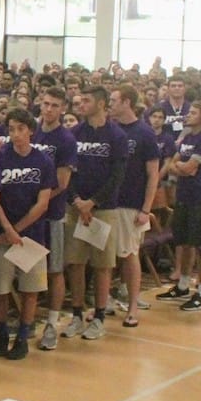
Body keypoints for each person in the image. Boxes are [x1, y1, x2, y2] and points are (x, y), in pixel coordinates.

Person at [0, 109, 55, 360]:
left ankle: (24, 334)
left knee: (30, 289)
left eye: (20, 129)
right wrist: (7, 228)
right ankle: (3, 332)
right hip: (2, 233)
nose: (15, 134)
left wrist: (18, 230)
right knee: (1, 289)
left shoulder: (43, 161)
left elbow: (43, 203)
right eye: (11, 129)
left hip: (32, 235)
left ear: (30, 130)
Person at [61, 86, 126, 341]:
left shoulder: (116, 136)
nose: (81, 104)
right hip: (76, 207)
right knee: (75, 263)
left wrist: (93, 202)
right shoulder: (74, 134)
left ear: (100, 104)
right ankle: (77, 313)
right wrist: (77, 200)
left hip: (104, 209)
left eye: (87, 100)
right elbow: (68, 171)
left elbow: (117, 175)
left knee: (102, 265)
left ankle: (98, 316)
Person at [157, 104, 201, 311]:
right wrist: (180, 167)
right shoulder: (187, 138)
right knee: (183, 243)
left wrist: (181, 167)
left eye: (193, 113)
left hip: (198, 198)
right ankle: (183, 285)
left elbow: (190, 169)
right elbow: (176, 164)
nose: (188, 115)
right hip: (182, 196)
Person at [109, 85, 160, 327]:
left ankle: (132, 306)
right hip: (108, 202)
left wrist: (146, 208)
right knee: (104, 255)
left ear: (126, 102)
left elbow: (153, 174)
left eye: (114, 100)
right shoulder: (110, 129)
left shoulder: (144, 133)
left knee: (129, 255)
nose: (110, 104)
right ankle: (105, 302)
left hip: (131, 203)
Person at [31, 86, 77, 350]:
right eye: (45, 104)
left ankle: (51, 323)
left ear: (62, 109)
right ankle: (27, 321)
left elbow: (62, 182)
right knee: (29, 269)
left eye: (54, 105)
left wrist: (38, 200)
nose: (48, 109)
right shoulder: (31, 130)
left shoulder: (65, 139)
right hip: (26, 215)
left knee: (55, 269)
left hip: (52, 213)